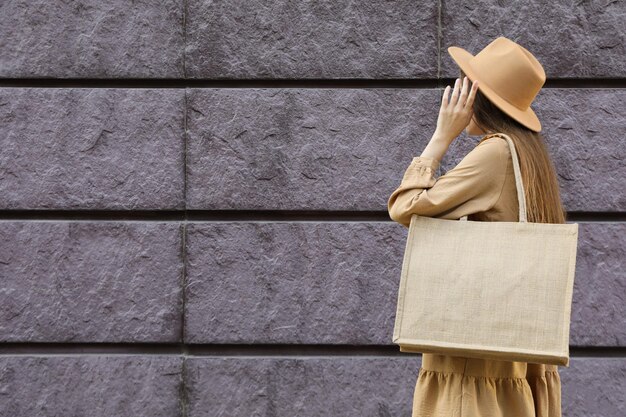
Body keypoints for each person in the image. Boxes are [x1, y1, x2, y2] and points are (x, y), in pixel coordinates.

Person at [387, 37, 566, 417]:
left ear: (477, 96)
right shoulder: (529, 157)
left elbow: (406, 208)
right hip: (510, 363)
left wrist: (440, 137)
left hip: (472, 369)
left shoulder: (496, 153)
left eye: (464, 84)